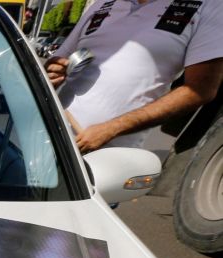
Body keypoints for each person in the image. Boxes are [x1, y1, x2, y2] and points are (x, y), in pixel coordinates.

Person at [44, 0, 223, 153]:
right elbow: (54, 62)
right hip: (46, 132)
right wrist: (52, 71)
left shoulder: (210, 6)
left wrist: (112, 129)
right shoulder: (102, 3)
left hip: (107, 154)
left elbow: (200, 90)